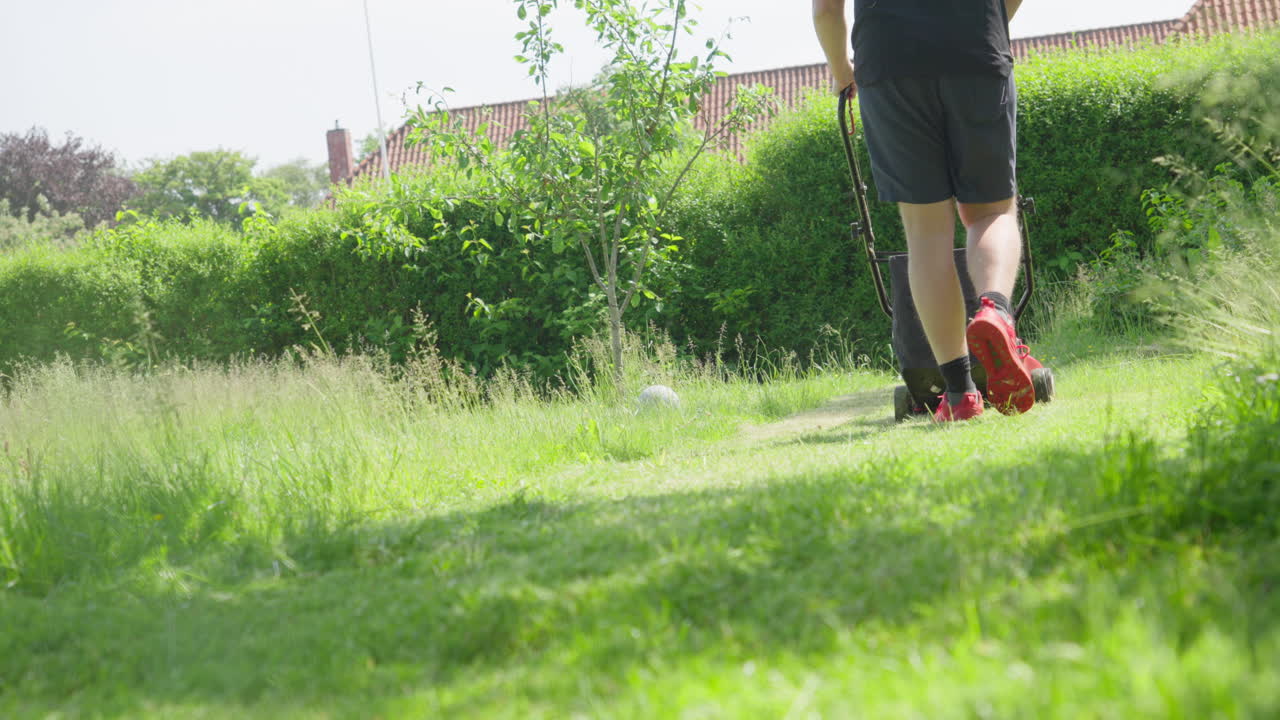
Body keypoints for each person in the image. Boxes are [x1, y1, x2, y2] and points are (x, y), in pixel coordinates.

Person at [813, 0, 1034, 422]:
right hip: (975, 47)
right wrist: (982, 24)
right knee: (991, 213)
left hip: (889, 63)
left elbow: (826, 10)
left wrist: (842, 72)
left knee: (927, 234)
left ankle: (960, 393)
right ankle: (995, 311)